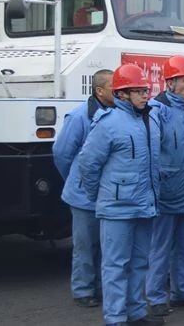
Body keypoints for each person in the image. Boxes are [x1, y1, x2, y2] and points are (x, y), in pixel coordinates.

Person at [77, 64, 162, 326]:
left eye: (146, 90)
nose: (145, 95)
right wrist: (101, 196)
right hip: (117, 207)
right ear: (122, 94)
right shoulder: (108, 123)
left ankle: (136, 313)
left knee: (139, 262)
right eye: (138, 91)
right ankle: (115, 318)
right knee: (115, 265)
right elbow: (88, 164)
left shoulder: (150, 120)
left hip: (143, 204)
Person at [146, 56, 184, 316]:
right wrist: (156, 187)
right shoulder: (157, 110)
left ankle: (181, 291)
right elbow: (151, 154)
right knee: (160, 246)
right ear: (170, 82)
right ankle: (156, 297)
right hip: (166, 191)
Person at [52, 69, 114, 308]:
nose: (119, 90)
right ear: (99, 91)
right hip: (83, 196)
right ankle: (83, 291)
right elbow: (62, 153)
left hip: (105, 193)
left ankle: (100, 288)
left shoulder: (115, 113)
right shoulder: (79, 116)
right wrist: (76, 179)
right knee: (85, 245)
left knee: (105, 246)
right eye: (113, 86)